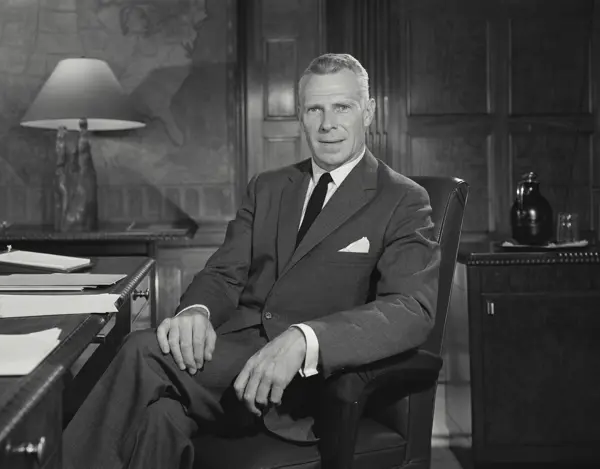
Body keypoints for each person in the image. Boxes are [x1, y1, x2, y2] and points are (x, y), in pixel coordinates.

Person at [63, 53, 440, 469]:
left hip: (305, 384)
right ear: (300, 115)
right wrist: (196, 311)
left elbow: (411, 309)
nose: (327, 123)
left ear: (367, 112)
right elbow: (224, 273)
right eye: (315, 108)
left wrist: (305, 338)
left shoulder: (402, 198)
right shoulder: (268, 187)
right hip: (225, 361)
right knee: (158, 421)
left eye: (342, 107)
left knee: (140, 350)